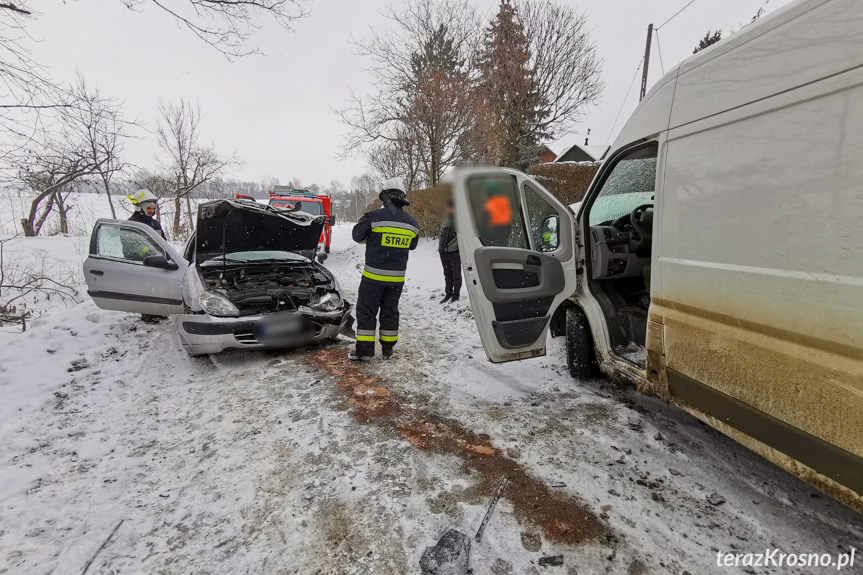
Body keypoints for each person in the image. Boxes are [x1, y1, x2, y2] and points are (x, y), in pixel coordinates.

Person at [349, 178, 419, 361]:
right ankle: (388, 349)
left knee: (366, 312)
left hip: (373, 277)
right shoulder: (412, 223)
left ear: (384, 196)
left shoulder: (373, 217)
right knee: (390, 311)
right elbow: (412, 246)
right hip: (396, 279)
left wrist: (373, 239)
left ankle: (364, 351)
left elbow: (357, 236)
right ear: (402, 197)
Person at [127, 189, 167, 324]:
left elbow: (163, 242)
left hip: (159, 262)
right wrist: (148, 253)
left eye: (153, 208)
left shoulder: (155, 223)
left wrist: (165, 255)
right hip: (143, 263)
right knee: (147, 290)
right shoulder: (132, 224)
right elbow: (129, 247)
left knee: (159, 289)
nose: (151, 211)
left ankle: (159, 312)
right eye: (148, 208)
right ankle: (148, 314)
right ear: (139, 208)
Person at [437, 200, 461, 304]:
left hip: (454, 252)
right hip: (443, 251)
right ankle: (448, 294)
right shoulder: (446, 218)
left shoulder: (459, 220)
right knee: (447, 274)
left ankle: (456, 295)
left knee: (456, 275)